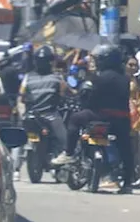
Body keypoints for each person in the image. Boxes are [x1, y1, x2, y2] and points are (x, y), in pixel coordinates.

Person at [58, 44, 135, 194]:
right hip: (122, 120)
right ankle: (127, 183)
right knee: (126, 149)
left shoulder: (100, 78)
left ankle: (68, 153)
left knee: (74, 119)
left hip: (100, 116)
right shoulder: (125, 79)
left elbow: (91, 101)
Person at [19, 46, 72, 165]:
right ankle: (67, 155)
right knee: (66, 143)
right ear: (50, 61)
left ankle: (16, 167)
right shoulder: (57, 78)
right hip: (50, 115)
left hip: (31, 115)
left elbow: (22, 96)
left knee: (20, 138)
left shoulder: (28, 77)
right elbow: (64, 93)